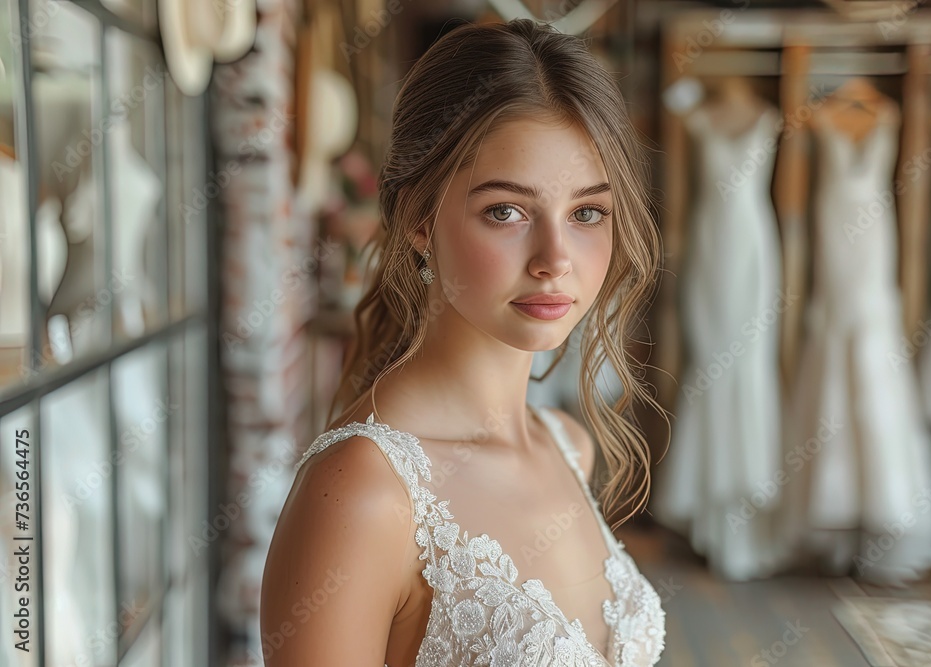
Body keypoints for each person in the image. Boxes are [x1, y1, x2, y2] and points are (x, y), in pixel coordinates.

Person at [261, 18, 668, 666]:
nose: (555, 259)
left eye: (587, 211)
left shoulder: (569, 446)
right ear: (421, 219)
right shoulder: (363, 493)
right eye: (506, 211)